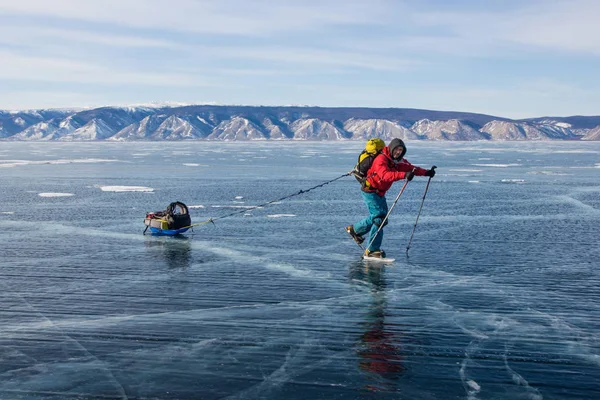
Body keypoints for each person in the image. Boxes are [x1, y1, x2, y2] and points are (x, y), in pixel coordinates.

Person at [346, 138, 436, 258]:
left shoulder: (395, 161)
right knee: (379, 219)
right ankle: (372, 250)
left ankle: (355, 230)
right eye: (397, 149)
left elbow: (410, 168)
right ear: (392, 148)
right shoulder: (381, 159)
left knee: (381, 218)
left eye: (401, 150)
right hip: (370, 191)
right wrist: (404, 175)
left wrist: (426, 172)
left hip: (379, 193)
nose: (399, 152)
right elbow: (384, 175)